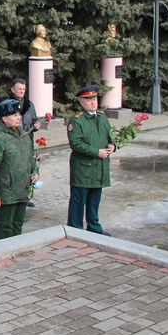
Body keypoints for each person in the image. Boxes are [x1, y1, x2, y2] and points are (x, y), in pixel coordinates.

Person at [0, 99, 39, 240]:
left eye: (19, 114)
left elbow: (29, 157)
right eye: (14, 115)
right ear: (4, 119)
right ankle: (2, 252)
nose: (19, 117)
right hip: (6, 191)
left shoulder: (23, 135)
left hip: (23, 188)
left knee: (18, 223)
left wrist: (35, 171)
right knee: (5, 225)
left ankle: (15, 249)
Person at [66, 85, 115, 236]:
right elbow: (76, 143)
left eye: (94, 99)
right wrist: (96, 152)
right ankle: (75, 228)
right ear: (81, 102)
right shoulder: (77, 120)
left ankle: (94, 226)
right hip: (83, 168)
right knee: (79, 200)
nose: (93, 102)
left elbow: (110, 134)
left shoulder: (102, 116)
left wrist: (113, 145)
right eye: (88, 100)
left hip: (99, 167)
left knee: (94, 199)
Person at [2, 78, 40, 206]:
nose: (22, 91)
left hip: (27, 140)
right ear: (13, 90)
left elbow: (34, 119)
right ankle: (12, 195)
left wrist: (36, 125)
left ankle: (26, 195)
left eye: (23, 89)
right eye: (19, 89)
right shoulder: (7, 104)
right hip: (12, 140)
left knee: (27, 167)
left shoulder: (29, 104)